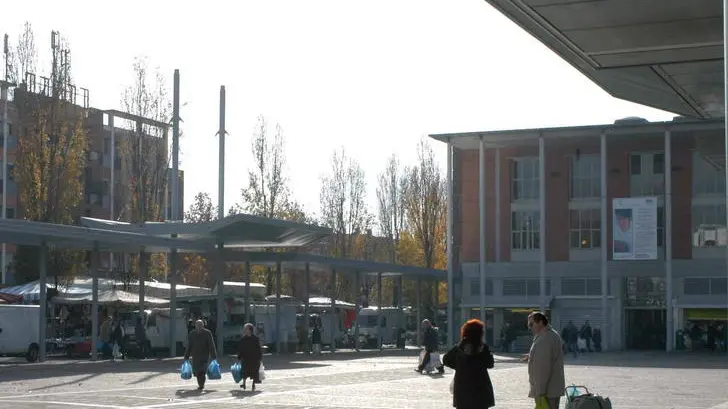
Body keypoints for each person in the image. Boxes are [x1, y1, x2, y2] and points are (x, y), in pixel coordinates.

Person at [443, 319, 495, 409]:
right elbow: (490, 364)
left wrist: (458, 366)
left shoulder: (459, 347)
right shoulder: (483, 347)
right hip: (480, 386)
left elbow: (446, 359)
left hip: (462, 386)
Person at [522, 312, 565, 409]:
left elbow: (543, 368)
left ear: (540, 322)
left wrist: (540, 391)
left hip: (547, 390)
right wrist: (531, 357)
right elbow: (546, 357)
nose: (530, 327)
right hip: (551, 388)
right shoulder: (548, 335)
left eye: (531, 324)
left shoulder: (545, 338)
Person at [184, 319, 217, 390]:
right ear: (195, 326)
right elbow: (189, 345)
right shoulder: (192, 334)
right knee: (197, 372)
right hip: (195, 356)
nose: (199, 326)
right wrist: (186, 356)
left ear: (203, 326)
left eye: (200, 325)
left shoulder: (207, 333)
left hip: (204, 355)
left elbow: (211, 344)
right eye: (197, 325)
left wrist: (214, 356)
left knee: (202, 371)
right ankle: (200, 384)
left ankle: (201, 385)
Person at [237, 323, 262, 391]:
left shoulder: (255, 339)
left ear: (250, 330)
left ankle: (253, 384)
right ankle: (244, 383)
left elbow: (258, 349)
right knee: (244, 372)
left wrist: (259, 358)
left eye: (246, 329)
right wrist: (239, 357)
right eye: (244, 329)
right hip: (245, 358)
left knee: (254, 372)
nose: (245, 330)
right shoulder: (243, 339)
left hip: (254, 359)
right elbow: (240, 349)